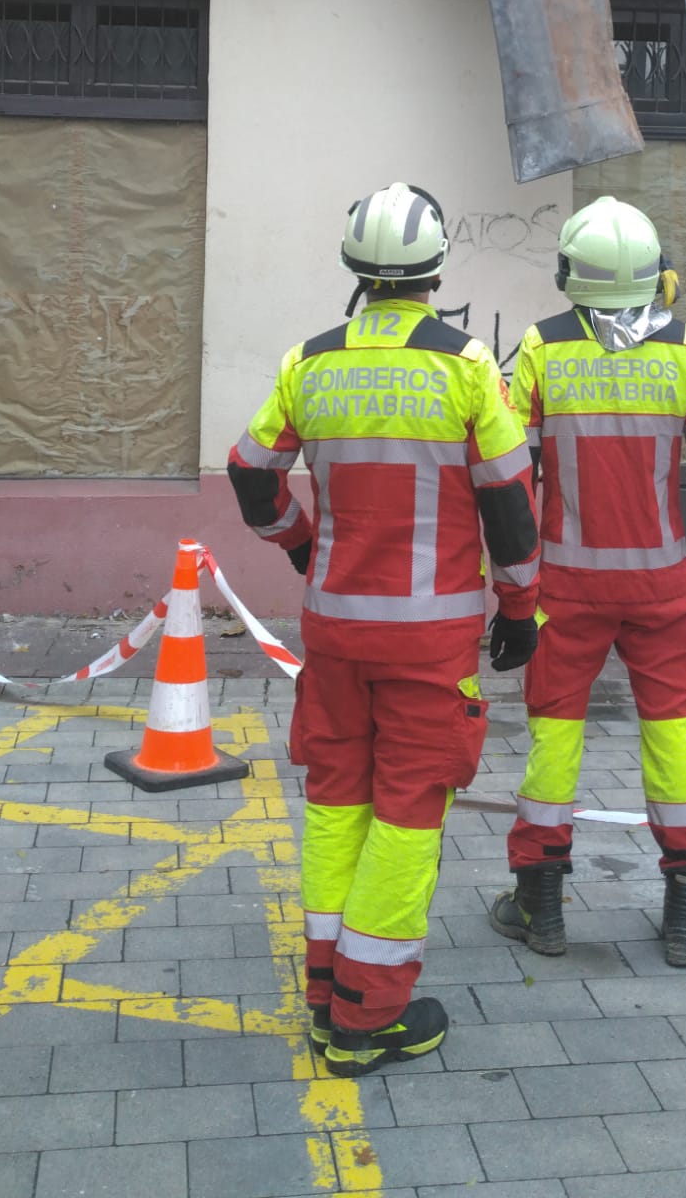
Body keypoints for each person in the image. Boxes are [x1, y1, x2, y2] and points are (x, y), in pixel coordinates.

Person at [227, 181, 540, 1075]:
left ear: (353, 270)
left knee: (334, 802)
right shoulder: (468, 367)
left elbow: (251, 473)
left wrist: (301, 545)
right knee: (408, 814)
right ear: (437, 271)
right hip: (430, 641)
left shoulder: (308, 364)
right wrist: (519, 613)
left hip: (332, 635)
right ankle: (368, 1018)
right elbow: (510, 508)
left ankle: (328, 993)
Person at [488, 195, 686, 968]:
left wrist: (515, 587)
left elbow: (508, 472)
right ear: (653, 274)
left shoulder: (542, 349)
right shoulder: (684, 349)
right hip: (662, 586)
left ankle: (541, 903)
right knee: (671, 734)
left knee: (554, 740)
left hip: (566, 589)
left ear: (570, 274)